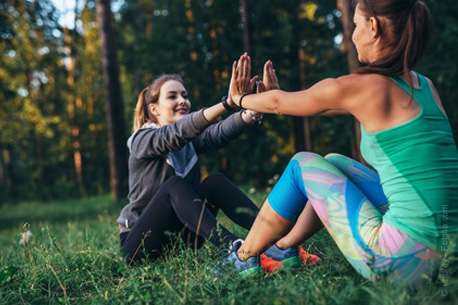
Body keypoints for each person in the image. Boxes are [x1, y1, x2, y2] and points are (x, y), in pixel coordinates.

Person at [225, 0, 458, 285]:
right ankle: (284, 248)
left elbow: (276, 103)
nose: (352, 34)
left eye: (356, 25)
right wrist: (284, 101)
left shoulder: (366, 86)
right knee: (334, 162)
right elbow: (302, 104)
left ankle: (243, 257)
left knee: (302, 164)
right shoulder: (424, 86)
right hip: (450, 255)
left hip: (402, 263)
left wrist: (239, 99)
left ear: (373, 27)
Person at [116, 72, 320, 267]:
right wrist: (227, 103)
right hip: (140, 246)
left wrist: (256, 108)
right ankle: (237, 250)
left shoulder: (190, 142)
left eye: (185, 96)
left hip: (180, 242)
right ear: (154, 109)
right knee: (174, 186)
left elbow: (218, 132)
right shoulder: (140, 141)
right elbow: (173, 135)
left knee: (214, 182)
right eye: (172, 96)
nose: (182, 101)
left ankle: (280, 241)